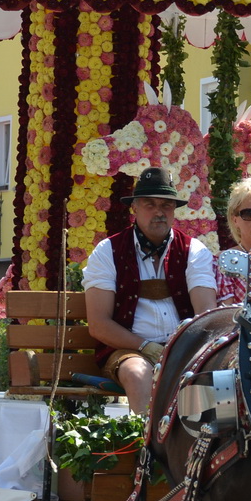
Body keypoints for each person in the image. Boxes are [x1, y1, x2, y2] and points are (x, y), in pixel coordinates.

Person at [83, 167, 216, 413]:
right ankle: (147, 437)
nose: (159, 212)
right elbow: (99, 325)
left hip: (183, 350)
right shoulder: (107, 251)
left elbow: (206, 316)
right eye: (150, 204)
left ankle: (197, 435)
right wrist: (146, 347)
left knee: (212, 374)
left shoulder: (194, 251)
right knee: (137, 373)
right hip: (128, 352)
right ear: (134, 207)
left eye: (166, 205)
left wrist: (179, 350)